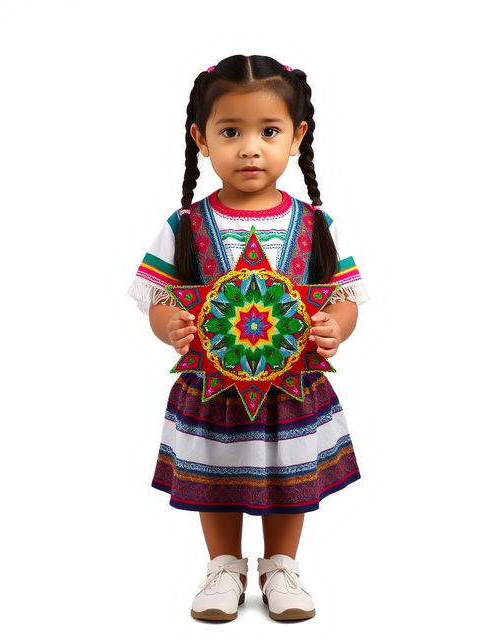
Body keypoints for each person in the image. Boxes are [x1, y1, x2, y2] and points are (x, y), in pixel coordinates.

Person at [127, 54, 371, 623]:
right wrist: (172, 328)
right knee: (216, 468)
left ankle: (282, 563)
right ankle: (223, 566)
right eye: (230, 131)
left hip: (292, 386)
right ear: (201, 139)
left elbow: (343, 295)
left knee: (289, 471)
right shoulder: (185, 225)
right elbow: (158, 301)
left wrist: (337, 327)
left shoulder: (315, 226)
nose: (250, 148)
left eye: (269, 131)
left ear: (297, 136)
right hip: (212, 385)